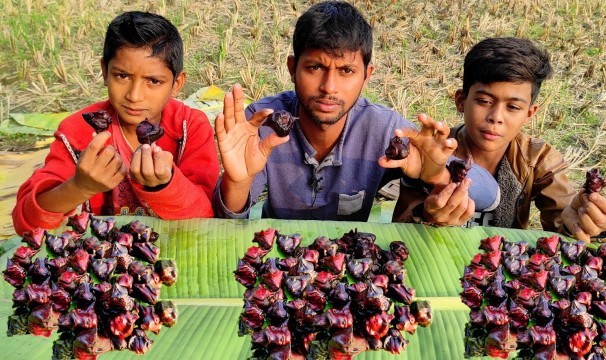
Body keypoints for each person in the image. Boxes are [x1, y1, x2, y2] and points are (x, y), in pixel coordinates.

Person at [213, 1, 499, 222]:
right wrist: (237, 181)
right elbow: (226, 220)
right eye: (315, 68)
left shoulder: (383, 130)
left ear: (367, 75)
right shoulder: (264, 123)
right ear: (292, 68)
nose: (329, 87)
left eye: (347, 71)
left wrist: (436, 174)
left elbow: (489, 195)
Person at [394, 37, 606, 242]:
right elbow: (401, 228)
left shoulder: (538, 160)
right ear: (461, 101)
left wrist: (584, 224)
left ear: (529, 113)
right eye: (484, 101)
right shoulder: (432, 152)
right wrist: (426, 217)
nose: (496, 118)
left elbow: (563, 221)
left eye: (512, 107)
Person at [13, 11, 219, 235]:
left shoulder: (190, 126)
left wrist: (164, 186)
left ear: (176, 84)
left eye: (153, 81)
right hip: (102, 256)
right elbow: (27, 222)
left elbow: (205, 217)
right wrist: (79, 187)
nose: (134, 95)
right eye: (122, 76)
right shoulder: (78, 131)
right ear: (105, 71)